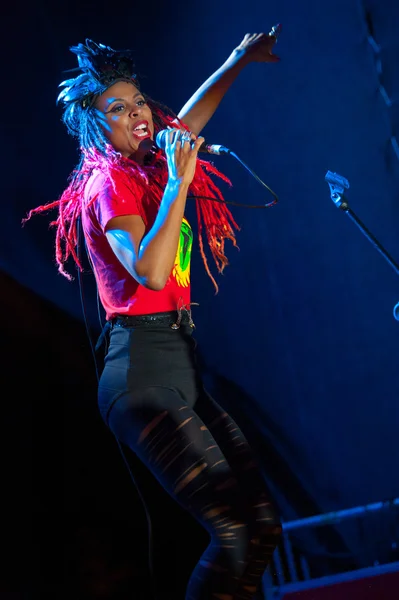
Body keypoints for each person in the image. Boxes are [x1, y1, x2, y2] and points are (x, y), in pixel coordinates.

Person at [25, 31, 282, 599]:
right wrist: (180, 185)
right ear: (98, 127)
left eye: (138, 100)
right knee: (233, 532)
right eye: (119, 108)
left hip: (179, 363)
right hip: (140, 372)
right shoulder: (107, 182)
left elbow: (187, 120)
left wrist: (236, 59)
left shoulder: (148, 166)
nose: (138, 113)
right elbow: (151, 271)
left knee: (261, 528)